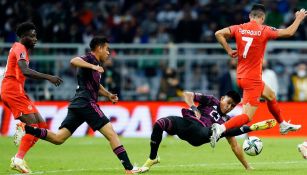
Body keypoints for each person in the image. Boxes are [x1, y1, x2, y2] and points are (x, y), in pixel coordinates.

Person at [13, 36, 140, 174]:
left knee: (58, 138)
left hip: (78, 104)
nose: (108, 53)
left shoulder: (95, 64)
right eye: (107, 49)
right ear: (99, 48)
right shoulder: (90, 59)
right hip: (86, 102)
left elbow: (96, 85)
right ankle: (129, 169)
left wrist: (108, 94)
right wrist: (93, 66)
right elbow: (74, 60)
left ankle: (27, 129)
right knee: (112, 134)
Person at [211, 4, 305, 147]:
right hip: (252, 79)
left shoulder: (238, 28)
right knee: (247, 117)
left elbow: (218, 33)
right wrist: (298, 18)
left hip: (242, 76)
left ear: (250, 16)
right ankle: (220, 128)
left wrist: (229, 51)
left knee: (271, 95)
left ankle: (283, 124)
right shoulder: (264, 30)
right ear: (262, 18)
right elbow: (289, 32)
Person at [139, 90, 277, 173]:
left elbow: (234, 145)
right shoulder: (211, 100)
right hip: (187, 124)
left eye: (232, 106)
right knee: (159, 124)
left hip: (200, 135)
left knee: (222, 130)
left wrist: (247, 166)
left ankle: (223, 131)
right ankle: (153, 158)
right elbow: (187, 94)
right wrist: (193, 107)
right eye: (228, 102)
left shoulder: (227, 120)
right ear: (222, 98)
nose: (229, 107)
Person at [0, 22, 63, 173]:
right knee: (33, 127)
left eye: (35, 36)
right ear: (23, 37)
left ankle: (23, 132)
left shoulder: (21, 49)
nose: (35, 39)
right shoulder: (20, 48)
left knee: (41, 127)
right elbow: (25, 71)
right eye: (32, 36)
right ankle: (18, 159)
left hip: (18, 91)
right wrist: (49, 77)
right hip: (12, 91)